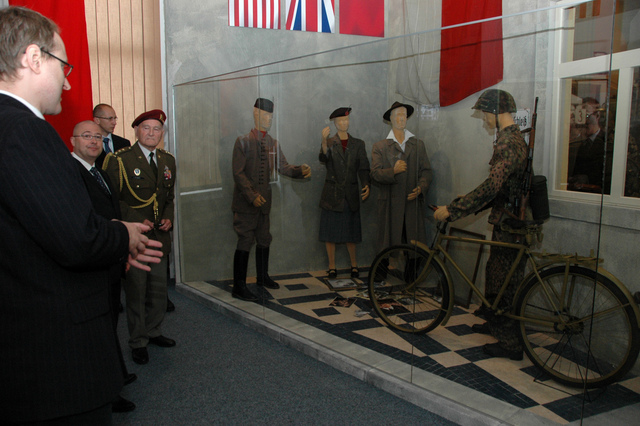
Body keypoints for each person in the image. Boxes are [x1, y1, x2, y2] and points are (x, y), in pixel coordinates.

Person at [0, 6, 162, 424]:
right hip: (53, 353)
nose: (68, 80)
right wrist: (123, 235)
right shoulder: (24, 130)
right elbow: (76, 240)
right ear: (33, 58)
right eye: (63, 65)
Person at [434, 89, 528, 361]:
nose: (484, 119)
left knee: (504, 283)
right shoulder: (512, 138)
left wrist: (454, 210)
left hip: (510, 225)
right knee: (496, 274)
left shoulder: (507, 143)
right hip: (508, 221)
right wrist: (468, 200)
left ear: (496, 112)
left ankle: (510, 344)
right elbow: (501, 189)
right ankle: (495, 322)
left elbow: (492, 187)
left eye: (485, 113)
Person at [70, 120, 137, 413]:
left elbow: (115, 214)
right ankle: (106, 392)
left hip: (110, 259)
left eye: (97, 137)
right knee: (97, 330)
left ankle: (116, 373)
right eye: (86, 136)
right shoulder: (69, 173)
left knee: (109, 324)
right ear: (72, 140)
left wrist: (123, 252)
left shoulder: (101, 172)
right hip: (90, 264)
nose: (93, 141)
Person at [104, 109, 177, 365]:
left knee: (158, 290)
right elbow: (111, 200)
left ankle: (154, 331)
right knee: (136, 291)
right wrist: (135, 220)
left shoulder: (167, 160)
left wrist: (168, 216)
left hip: (159, 236)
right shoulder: (120, 160)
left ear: (162, 133)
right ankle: (138, 341)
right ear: (136, 131)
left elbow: (168, 197)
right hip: (135, 237)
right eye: (146, 128)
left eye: (157, 129)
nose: (151, 133)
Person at [231, 98, 311, 301]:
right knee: (245, 240)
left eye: (271, 116)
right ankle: (239, 286)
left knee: (264, 238)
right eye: (266, 115)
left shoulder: (273, 143)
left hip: (264, 203)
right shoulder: (243, 142)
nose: (269, 120)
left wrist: (300, 170)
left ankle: (262, 277)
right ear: (255, 114)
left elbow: (283, 167)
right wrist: (252, 196)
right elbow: (238, 174)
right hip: (246, 204)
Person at [370, 101, 433, 253]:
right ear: (391, 119)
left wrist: (421, 187)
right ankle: (384, 268)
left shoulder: (418, 144)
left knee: (414, 243)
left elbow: (426, 171)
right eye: (398, 115)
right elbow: (375, 173)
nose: (402, 118)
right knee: (388, 242)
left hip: (412, 203)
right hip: (390, 203)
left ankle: (411, 269)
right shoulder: (380, 147)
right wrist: (393, 171)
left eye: (404, 115)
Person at [318, 107, 370, 279]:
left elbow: (363, 167)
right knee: (330, 232)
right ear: (335, 123)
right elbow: (324, 159)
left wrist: (366, 184)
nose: (344, 123)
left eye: (346, 120)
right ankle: (332, 266)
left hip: (350, 193)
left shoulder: (358, 144)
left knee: (351, 233)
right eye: (340, 120)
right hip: (332, 193)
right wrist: (323, 142)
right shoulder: (330, 142)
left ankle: (354, 264)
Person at [568, 98, 612, 194]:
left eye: (587, 115)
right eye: (581, 116)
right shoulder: (581, 142)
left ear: (598, 116)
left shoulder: (607, 142)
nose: (584, 121)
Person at [93, 103, 131, 169]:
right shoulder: (91, 143)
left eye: (115, 118)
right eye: (110, 118)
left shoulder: (124, 143)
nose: (114, 123)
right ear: (97, 120)